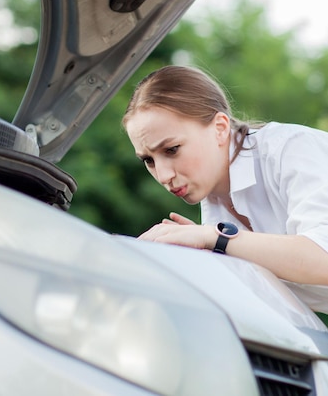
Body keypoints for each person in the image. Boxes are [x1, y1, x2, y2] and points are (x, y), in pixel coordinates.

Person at [123, 64, 328, 312]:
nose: (164, 175)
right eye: (149, 160)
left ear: (220, 128)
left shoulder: (293, 149)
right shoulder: (214, 206)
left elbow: (322, 259)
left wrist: (217, 238)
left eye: (172, 149)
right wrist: (214, 262)